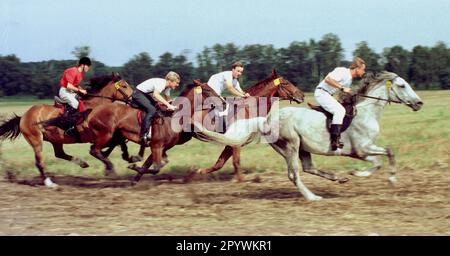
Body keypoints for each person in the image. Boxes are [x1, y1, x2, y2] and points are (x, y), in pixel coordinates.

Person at [314, 57, 366, 150]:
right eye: (363, 69)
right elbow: (328, 79)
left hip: (328, 95)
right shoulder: (343, 71)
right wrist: (342, 88)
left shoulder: (349, 80)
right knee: (340, 111)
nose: (363, 72)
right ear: (357, 68)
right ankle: (335, 140)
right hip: (321, 93)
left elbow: (343, 94)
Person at [131, 71, 180, 145]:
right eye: (176, 82)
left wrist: (174, 105)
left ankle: (152, 131)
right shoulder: (162, 83)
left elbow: (169, 100)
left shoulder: (168, 87)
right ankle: (143, 135)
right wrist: (168, 105)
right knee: (152, 110)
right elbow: (156, 95)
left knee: (158, 108)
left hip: (144, 94)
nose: (177, 85)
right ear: (170, 81)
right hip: (138, 94)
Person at [58, 57, 91, 136]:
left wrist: (82, 90)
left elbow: (75, 85)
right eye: (88, 66)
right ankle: (67, 127)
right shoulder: (73, 71)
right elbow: (69, 86)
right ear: (82, 65)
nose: (88, 68)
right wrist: (80, 90)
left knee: (81, 101)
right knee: (75, 103)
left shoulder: (80, 74)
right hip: (64, 91)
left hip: (70, 92)